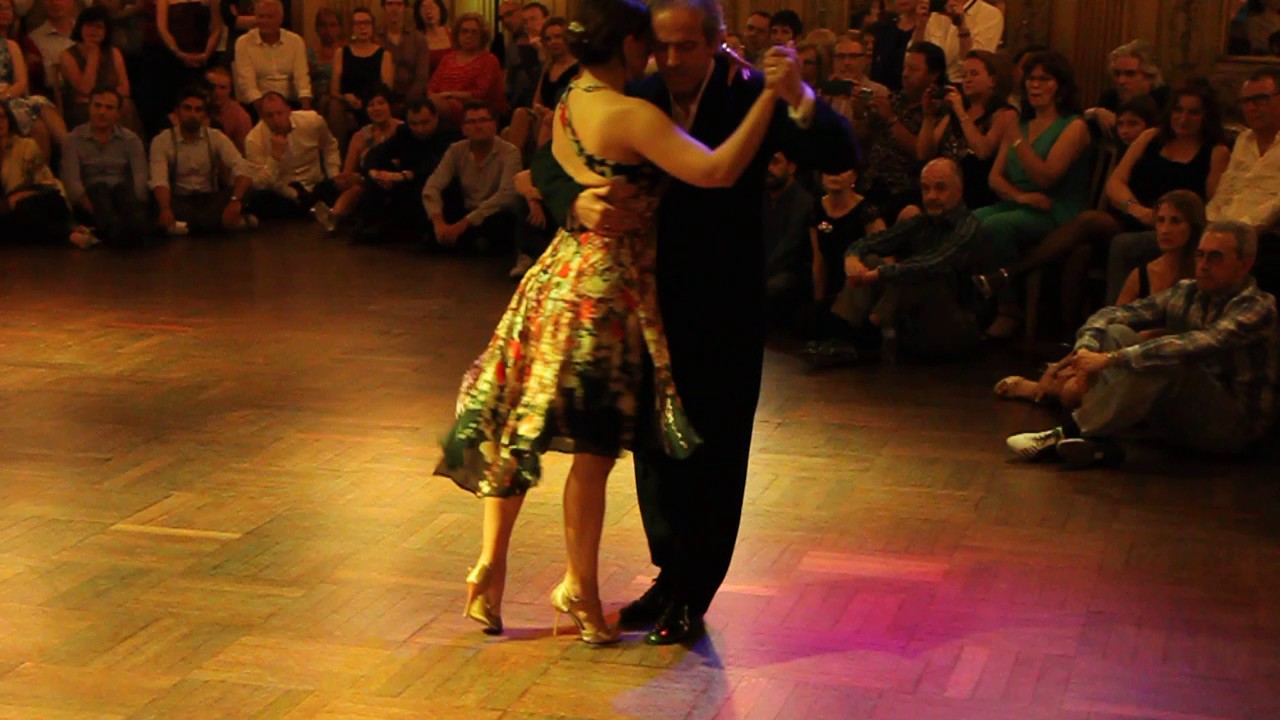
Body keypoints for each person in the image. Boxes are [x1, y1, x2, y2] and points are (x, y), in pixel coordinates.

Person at [435, 0, 808, 646]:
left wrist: (788, 95)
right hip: (608, 293)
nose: (662, 59)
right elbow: (715, 171)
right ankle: (578, 586)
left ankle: (492, 567)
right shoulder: (633, 105)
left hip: (563, 279)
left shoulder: (573, 92)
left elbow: (546, 158)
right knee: (595, 447)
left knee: (521, 420)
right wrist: (770, 102)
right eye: (652, 45)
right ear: (629, 45)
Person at [528, 0, 854, 646]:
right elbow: (550, 163)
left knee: (716, 444)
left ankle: (693, 589)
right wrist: (578, 202)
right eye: (662, 46)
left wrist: (803, 96)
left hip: (726, 297)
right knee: (654, 445)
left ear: (716, 43)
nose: (671, 60)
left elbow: (839, 149)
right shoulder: (638, 92)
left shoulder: (752, 92)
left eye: (685, 47)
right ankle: (668, 574)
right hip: (643, 297)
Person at [1006, 221, 1278, 468]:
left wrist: (1112, 359)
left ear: (1245, 263)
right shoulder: (1187, 291)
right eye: (1200, 255)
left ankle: (1069, 431)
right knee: (1115, 331)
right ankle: (1101, 444)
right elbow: (1111, 314)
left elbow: (1200, 343)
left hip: (1232, 426)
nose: (1204, 265)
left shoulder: (1257, 307)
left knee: (1168, 358)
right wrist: (1086, 350)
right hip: (1178, 416)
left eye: (1215, 257)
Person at [977, 79, 1228, 322]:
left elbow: (1209, 206)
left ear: (1206, 116)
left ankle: (1110, 321)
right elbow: (1115, 183)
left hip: (1176, 229)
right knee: (1087, 230)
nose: (1183, 119)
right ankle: (1071, 329)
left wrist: (1165, 220)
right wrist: (1137, 210)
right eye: (1179, 110)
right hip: (1134, 215)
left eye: (1193, 113)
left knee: (1108, 244)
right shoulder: (1152, 137)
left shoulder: (1215, 152)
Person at [994, 190, 1205, 407]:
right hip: (1120, 356)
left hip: (1165, 360)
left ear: (1193, 227)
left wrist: (1148, 335)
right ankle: (1050, 386)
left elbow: (1192, 333)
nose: (1165, 229)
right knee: (1073, 385)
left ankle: (1038, 391)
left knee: (1074, 391)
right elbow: (1111, 320)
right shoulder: (1142, 273)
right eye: (1160, 220)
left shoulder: (1201, 276)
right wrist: (1065, 363)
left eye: (1175, 221)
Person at [1108, 67, 1280, 302]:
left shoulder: (1216, 150)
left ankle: (1125, 320)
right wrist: (1138, 210)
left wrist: (1232, 231)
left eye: (1260, 99)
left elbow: (1273, 206)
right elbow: (1224, 194)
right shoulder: (1244, 141)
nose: (1252, 107)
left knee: (1124, 244)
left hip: (1254, 234)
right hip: (1163, 220)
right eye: (1247, 101)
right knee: (1095, 236)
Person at [972, 50, 1091, 339]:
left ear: (1060, 86)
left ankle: (1009, 309)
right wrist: (1019, 197)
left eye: (1044, 79)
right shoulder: (1021, 125)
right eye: (1031, 79)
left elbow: (1046, 177)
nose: (1035, 85)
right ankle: (977, 302)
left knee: (997, 226)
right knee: (971, 220)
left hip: (1056, 209)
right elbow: (995, 178)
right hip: (1022, 203)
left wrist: (1016, 140)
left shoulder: (1073, 126)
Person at [827, 157, 980, 362]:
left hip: (954, 325)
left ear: (959, 190)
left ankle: (865, 336)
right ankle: (843, 333)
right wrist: (852, 258)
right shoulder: (922, 222)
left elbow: (934, 262)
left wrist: (880, 274)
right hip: (918, 319)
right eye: (926, 189)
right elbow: (872, 242)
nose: (932, 196)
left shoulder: (968, 226)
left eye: (940, 188)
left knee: (917, 273)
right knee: (871, 260)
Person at [799, 162, 884, 357]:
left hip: (859, 289)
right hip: (833, 289)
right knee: (807, 319)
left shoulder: (867, 211)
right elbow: (818, 261)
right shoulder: (816, 210)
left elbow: (884, 258)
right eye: (829, 169)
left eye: (842, 168)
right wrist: (818, 304)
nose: (835, 174)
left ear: (854, 177)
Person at [917, 49, 1017, 211]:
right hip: (941, 185)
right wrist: (928, 116)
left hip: (975, 189)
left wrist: (961, 113)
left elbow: (983, 151)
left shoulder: (1005, 114)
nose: (967, 80)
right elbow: (923, 153)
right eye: (964, 76)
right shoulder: (954, 113)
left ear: (992, 80)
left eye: (974, 74)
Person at [149, 86, 254, 235]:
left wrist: (235, 200)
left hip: (210, 199)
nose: (193, 114)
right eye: (187, 108)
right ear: (177, 111)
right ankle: (224, 224)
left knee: (249, 188)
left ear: (204, 114)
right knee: (154, 201)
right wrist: (165, 208)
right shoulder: (161, 141)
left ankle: (184, 227)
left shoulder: (216, 137)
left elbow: (242, 167)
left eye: (198, 110)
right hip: (179, 200)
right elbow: (159, 180)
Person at [352, 95, 457, 242]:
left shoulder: (449, 135)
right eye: (414, 124)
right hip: (406, 185)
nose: (419, 129)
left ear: (436, 117)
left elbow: (437, 166)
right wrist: (376, 174)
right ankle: (370, 225)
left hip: (436, 187)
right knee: (377, 175)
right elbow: (375, 153)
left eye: (425, 122)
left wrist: (403, 175)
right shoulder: (404, 132)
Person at [420, 101, 520, 252]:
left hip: (491, 214)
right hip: (466, 210)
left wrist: (464, 224)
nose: (478, 126)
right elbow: (432, 186)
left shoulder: (509, 152)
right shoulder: (456, 150)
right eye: (471, 122)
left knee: (499, 225)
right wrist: (438, 222)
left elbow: (506, 196)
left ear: (494, 124)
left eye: (483, 120)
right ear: (463, 128)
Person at [59, 87, 149, 246]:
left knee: (123, 192)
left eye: (109, 108)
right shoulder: (72, 139)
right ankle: (120, 233)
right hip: (91, 199)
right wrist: (91, 208)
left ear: (117, 113)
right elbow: (72, 182)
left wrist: (136, 202)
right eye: (97, 106)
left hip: (123, 197)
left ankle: (123, 231)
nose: (102, 112)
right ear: (89, 107)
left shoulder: (130, 139)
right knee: (99, 190)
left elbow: (140, 177)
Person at [0, 102, 93, 247]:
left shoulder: (26, 146)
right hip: (7, 212)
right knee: (16, 218)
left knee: (27, 209)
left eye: (2, 117)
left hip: (32, 201)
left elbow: (47, 184)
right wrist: (7, 203)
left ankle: (68, 233)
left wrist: (19, 196)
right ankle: (69, 235)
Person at [312, 84, 400, 233]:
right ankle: (334, 214)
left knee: (360, 188)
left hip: (395, 181)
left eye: (381, 103)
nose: (377, 108)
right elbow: (348, 172)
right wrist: (349, 178)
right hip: (366, 182)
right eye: (371, 105)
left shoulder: (402, 130)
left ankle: (335, 215)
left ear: (389, 105)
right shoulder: (360, 137)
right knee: (344, 186)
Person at [242, 91, 343, 219]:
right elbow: (259, 183)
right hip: (284, 193)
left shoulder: (312, 121)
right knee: (259, 199)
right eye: (269, 116)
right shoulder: (254, 139)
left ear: (289, 111)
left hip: (316, 185)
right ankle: (310, 211)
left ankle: (312, 209)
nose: (276, 120)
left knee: (340, 188)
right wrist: (275, 158)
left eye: (279, 113)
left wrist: (333, 176)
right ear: (262, 116)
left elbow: (330, 146)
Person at [0, 0, 65, 159]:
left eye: (7, 8)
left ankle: (71, 151)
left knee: (41, 107)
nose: (4, 12)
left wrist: (5, 96)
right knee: (38, 127)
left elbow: (22, 83)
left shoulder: (11, 46)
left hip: (10, 97)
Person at [58, 6, 137, 131]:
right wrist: (93, 54)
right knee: (99, 111)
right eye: (89, 25)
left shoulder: (114, 53)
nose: (93, 30)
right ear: (81, 27)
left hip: (112, 103)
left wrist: (107, 101)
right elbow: (85, 89)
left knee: (126, 105)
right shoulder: (68, 56)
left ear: (106, 31)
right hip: (82, 108)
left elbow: (125, 88)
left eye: (99, 27)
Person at [329, 6, 393, 143]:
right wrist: (345, 97)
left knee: (378, 106)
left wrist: (366, 101)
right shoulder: (341, 53)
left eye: (367, 23)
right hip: (347, 102)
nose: (363, 27)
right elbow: (334, 90)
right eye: (358, 24)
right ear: (352, 28)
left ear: (372, 27)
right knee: (334, 106)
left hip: (372, 102)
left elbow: (387, 89)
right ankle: (339, 155)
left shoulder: (384, 55)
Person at [234, 0, 311, 112]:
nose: (264, 21)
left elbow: (302, 79)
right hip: (257, 105)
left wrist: (306, 112)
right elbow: (248, 85)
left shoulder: (295, 41)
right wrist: (268, 112)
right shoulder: (243, 43)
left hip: (290, 103)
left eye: (269, 17)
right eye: (261, 16)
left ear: (280, 19)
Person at [427, 12, 502, 125]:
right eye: (464, 31)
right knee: (423, 107)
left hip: (472, 109)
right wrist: (437, 97)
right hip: (440, 103)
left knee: (430, 108)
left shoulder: (489, 60)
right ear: (457, 34)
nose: (468, 35)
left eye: (474, 32)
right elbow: (432, 86)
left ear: (482, 36)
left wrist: (450, 94)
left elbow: (479, 94)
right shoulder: (448, 58)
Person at [913, 0, 1003, 83]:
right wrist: (920, 26)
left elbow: (976, 65)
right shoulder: (936, 11)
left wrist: (961, 27)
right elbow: (914, 56)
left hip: (963, 85)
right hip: (928, 83)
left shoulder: (990, 15)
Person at [377, 0, 430, 107]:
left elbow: (422, 78)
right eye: (390, 4)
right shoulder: (375, 38)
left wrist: (407, 103)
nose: (394, 8)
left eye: (399, 4)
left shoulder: (418, 39)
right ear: (383, 7)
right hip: (380, 101)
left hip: (412, 100)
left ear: (405, 8)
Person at [205, 65, 252, 152]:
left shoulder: (240, 117)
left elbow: (242, 154)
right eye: (213, 87)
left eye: (222, 88)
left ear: (230, 90)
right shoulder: (196, 108)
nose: (216, 92)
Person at [307, 7, 341, 114]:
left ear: (339, 28)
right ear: (316, 28)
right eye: (323, 25)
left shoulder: (346, 52)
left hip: (339, 99)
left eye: (332, 25)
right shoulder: (308, 54)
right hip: (316, 101)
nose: (328, 30)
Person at [413, 0, 451, 74]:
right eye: (424, 7)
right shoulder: (416, 40)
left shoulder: (452, 34)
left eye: (432, 6)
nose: (428, 11)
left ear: (440, 9)